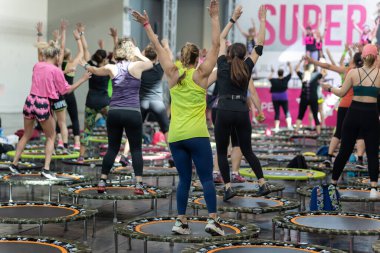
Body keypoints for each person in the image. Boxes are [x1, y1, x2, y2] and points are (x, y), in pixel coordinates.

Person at [132, 0, 225, 236]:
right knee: (205, 179)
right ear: (197, 59)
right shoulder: (202, 74)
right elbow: (216, 45)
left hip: (176, 136)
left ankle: (180, 222)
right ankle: (213, 220)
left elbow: (156, 46)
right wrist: (214, 17)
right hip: (197, 135)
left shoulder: (173, 72)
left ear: (183, 57)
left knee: (184, 180)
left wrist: (146, 26)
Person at [82, 34, 152, 194]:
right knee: (136, 149)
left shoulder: (111, 68)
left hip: (114, 112)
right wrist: (139, 53)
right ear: (130, 53)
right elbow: (150, 64)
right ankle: (139, 184)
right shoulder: (137, 66)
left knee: (112, 148)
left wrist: (85, 64)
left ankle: (102, 180)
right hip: (132, 112)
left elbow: (94, 70)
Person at [9, 39, 90, 178]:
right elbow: (66, 90)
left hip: (30, 101)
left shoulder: (37, 65)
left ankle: (14, 163)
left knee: (26, 135)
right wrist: (83, 79)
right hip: (43, 103)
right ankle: (46, 169)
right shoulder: (56, 70)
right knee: (51, 137)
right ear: (57, 56)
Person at [215, 5, 270, 202]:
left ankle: (228, 188)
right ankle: (262, 183)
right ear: (243, 54)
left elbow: (221, 39)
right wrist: (263, 20)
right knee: (247, 150)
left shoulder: (222, 65)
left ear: (229, 54)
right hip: (241, 111)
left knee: (222, 151)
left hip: (223, 110)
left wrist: (232, 19)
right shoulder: (247, 66)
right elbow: (260, 44)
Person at [322, 44, 380, 198]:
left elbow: (341, 93)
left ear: (362, 57)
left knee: (344, 151)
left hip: (353, 113)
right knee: (373, 153)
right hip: (371, 114)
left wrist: (328, 88)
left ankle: (333, 184)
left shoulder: (353, 72)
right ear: (376, 57)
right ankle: (374, 188)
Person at [305, 53, 366, 168]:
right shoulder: (366, 72)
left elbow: (328, 66)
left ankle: (329, 157)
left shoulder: (348, 70)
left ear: (353, 61)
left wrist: (312, 61)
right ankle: (360, 160)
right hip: (358, 105)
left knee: (338, 132)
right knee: (359, 133)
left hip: (344, 104)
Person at [77, 23, 111, 162]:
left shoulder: (90, 66)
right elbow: (105, 60)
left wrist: (81, 34)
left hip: (91, 102)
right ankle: (112, 152)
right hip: (104, 103)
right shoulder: (108, 68)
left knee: (87, 130)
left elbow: (85, 49)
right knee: (112, 128)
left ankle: (81, 156)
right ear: (104, 59)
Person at [58, 21, 84, 151]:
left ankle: (61, 142)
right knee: (74, 118)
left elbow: (60, 48)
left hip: (59, 94)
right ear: (69, 57)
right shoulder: (72, 64)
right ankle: (77, 143)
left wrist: (62, 33)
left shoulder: (57, 65)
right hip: (69, 93)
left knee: (59, 119)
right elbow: (81, 52)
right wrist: (78, 37)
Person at [294, 58, 326, 134]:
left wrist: (300, 60)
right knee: (315, 116)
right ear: (312, 68)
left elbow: (296, 69)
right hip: (314, 98)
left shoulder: (303, 75)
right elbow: (324, 71)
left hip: (304, 98)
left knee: (300, 116)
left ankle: (295, 132)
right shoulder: (316, 75)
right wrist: (319, 63)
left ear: (305, 68)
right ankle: (319, 134)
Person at [268, 62, 293, 131]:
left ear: (278, 73)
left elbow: (269, 78)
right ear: (283, 73)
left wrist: (272, 72)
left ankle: (276, 127)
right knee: (286, 111)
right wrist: (290, 65)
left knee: (277, 112)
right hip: (283, 97)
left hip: (275, 98)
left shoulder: (274, 80)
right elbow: (291, 73)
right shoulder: (285, 79)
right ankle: (289, 126)